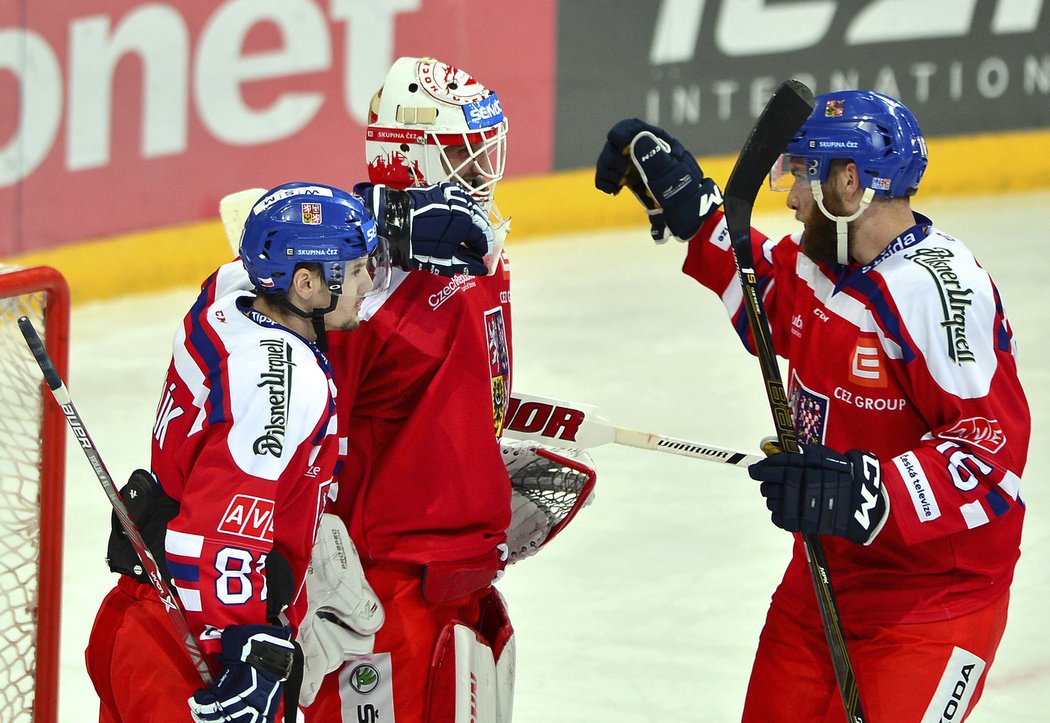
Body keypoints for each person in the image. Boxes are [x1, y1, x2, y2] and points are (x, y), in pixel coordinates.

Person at [595, 90, 1029, 721]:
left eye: (802, 174)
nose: (791, 195)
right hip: (824, 576)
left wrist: (869, 491)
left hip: (932, 604)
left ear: (849, 182)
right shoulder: (828, 259)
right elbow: (770, 298)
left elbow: (990, 453)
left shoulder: (937, 294)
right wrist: (695, 210)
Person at [84, 179, 499, 722]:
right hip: (191, 650)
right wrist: (248, 654)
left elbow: (267, 236)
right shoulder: (280, 382)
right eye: (353, 272)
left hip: (140, 618)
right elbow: (219, 531)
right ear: (304, 284)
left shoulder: (229, 293)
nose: (368, 283)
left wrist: (389, 225)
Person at [301, 56, 596, 722]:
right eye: (465, 157)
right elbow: (303, 442)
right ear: (412, 163)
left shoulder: (481, 254)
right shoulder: (357, 302)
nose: (484, 175)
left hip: (465, 580)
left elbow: (456, 381)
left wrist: (477, 454)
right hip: (381, 598)